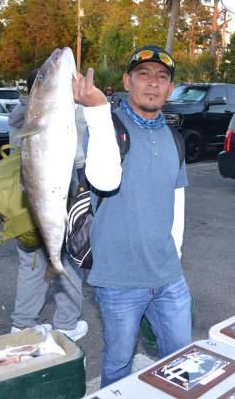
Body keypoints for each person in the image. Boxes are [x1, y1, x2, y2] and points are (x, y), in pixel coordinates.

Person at [73, 45, 192, 387]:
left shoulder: (174, 137)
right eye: (144, 75)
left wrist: (176, 256)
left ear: (170, 88)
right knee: (118, 363)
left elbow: (177, 198)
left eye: (162, 77)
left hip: (168, 275)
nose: (153, 84)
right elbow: (105, 180)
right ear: (127, 81)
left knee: (182, 361)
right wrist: (96, 109)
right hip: (119, 279)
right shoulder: (106, 126)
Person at [8, 69, 88, 341]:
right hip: (57, 198)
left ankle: (21, 324)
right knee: (67, 260)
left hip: (23, 205)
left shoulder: (21, 115)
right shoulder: (63, 112)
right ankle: (66, 324)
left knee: (30, 263)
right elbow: (77, 157)